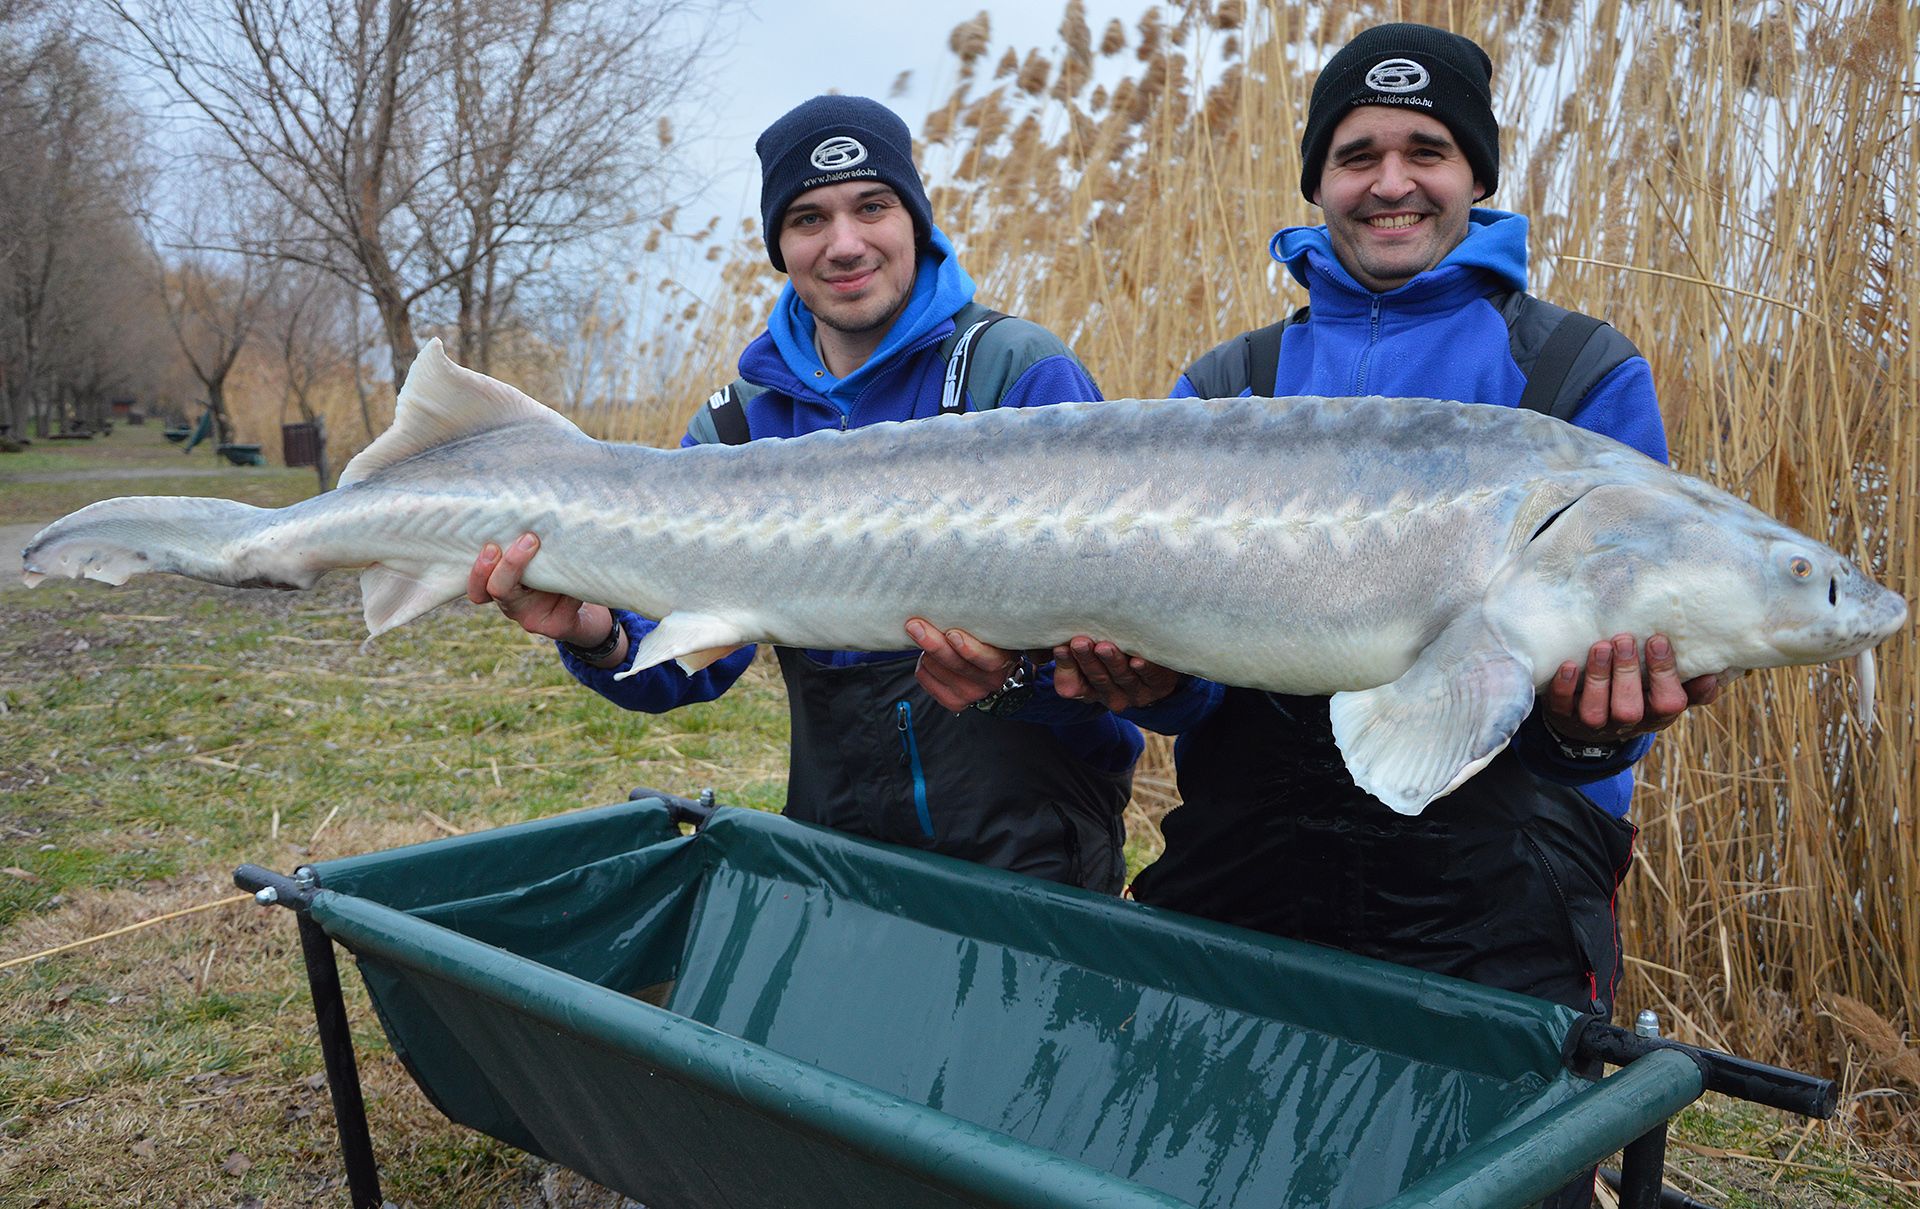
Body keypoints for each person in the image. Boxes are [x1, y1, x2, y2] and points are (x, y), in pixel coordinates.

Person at [920, 24, 1723, 1014]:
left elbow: (1609, 692)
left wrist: (1589, 732)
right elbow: (1195, 689)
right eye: (1358, 157)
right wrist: (1154, 683)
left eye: (1426, 152)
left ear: (1475, 175)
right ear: (1320, 182)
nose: (1392, 183)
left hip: (1497, 882)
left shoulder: (1575, 374)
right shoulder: (1230, 385)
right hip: (1250, 849)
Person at [466, 95, 1140, 894]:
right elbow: (685, 662)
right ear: (780, 245)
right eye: (809, 219)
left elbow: (1116, 625)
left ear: (915, 221)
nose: (845, 244)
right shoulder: (738, 425)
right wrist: (592, 630)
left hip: (1032, 841)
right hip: (836, 838)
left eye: (872, 207)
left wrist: (1015, 682)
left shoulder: (1018, 372)